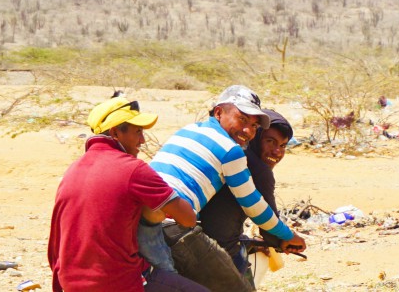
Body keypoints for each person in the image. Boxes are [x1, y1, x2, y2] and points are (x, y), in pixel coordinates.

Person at [141, 85, 307, 275]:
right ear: (219, 112)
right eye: (242, 119)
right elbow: (255, 207)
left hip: (141, 212)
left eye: (254, 125)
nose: (247, 130)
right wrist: (288, 235)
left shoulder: (188, 129)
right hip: (169, 223)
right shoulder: (232, 152)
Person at [48, 97, 205, 292]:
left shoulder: (73, 170)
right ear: (115, 133)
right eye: (137, 131)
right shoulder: (133, 169)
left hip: (70, 283)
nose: (142, 140)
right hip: (117, 283)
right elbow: (188, 218)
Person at [198, 108, 293, 284]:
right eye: (270, 141)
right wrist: (287, 240)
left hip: (195, 237)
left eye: (282, 145)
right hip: (220, 249)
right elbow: (270, 229)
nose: (277, 152)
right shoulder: (258, 169)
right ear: (256, 137)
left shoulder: (230, 153)